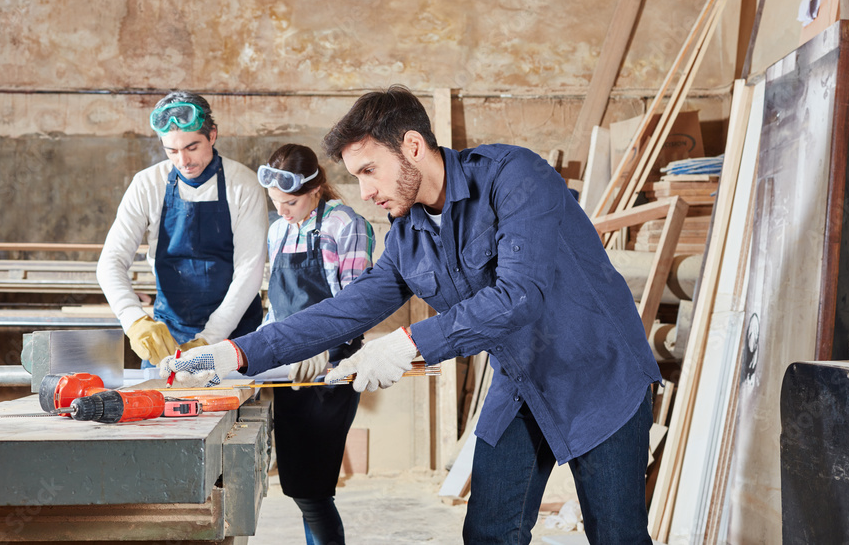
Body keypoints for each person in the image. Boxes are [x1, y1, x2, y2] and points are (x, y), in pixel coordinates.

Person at [162, 85, 661, 544]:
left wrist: (407, 344)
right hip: (521, 382)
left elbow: (518, 296)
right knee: (488, 531)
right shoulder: (409, 236)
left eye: (369, 170)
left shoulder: (516, 178)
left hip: (600, 374)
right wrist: (233, 354)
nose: (365, 192)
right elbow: (343, 312)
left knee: (616, 535)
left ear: (413, 147)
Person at [257, 143, 375, 545]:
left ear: (316, 189)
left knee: (314, 490)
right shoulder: (278, 230)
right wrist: (255, 352)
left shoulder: (346, 225)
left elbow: (358, 304)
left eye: (289, 202)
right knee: (298, 488)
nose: (282, 211)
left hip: (331, 371)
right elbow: (275, 308)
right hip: (288, 371)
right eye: (275, 203)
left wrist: (324, 347)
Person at [97, 91, 268, 366]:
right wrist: (135, 321)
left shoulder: (243, 185)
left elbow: (249, 271)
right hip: (169, 336)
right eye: (172, 151)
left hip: (233, 338)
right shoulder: (147, 184)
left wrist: (208, 340)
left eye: (192, 147)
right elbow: (110, 262)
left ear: (212, 135)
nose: (183, 161)